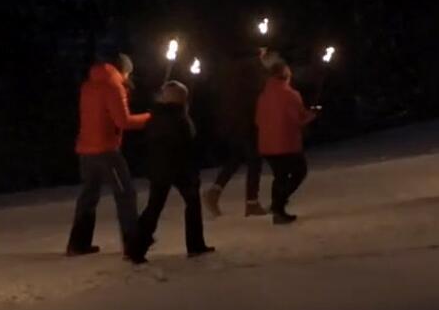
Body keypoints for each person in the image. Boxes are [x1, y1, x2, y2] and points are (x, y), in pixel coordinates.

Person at [69, 53, 151, 262]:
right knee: (125, 195)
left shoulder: (89, 85)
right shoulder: (113, 85)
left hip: (85, 150)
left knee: (89, 196)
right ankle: (132, 245)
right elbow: (123, 121)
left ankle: (78, 243)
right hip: (106, 151)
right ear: (123, 69)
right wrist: (150, 118)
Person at [136, 79, 212, 257]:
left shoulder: (156, 116)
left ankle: (136, 248)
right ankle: (195, 245)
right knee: (191, 203)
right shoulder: (179, 119)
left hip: (159, 168)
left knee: (154, 206)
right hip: (179, 168)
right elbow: (186, 147)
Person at [204, 43, 273, 219]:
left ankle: (215, 192)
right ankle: (251, 202)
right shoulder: (251, 68)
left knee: (236, 158)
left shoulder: (230, 69)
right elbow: (259, 90)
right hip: (245, 121)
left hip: (232, 121)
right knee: (254, 159)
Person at [255, 59, 318, 223]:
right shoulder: (291, 95)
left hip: (267, 144)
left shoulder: (263, 95)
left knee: (280, 176)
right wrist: (312, 115)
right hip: (286, 143)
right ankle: (278, 205)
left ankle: (278, 207)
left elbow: (257, 120)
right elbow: (298, 119)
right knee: (299, 172)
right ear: (284, 74)